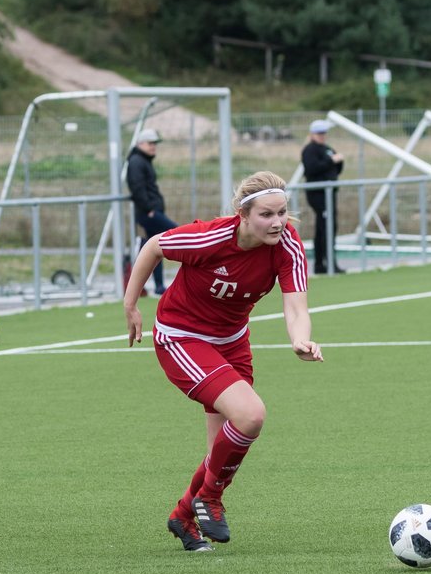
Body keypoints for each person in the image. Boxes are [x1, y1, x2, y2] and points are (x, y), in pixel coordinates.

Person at [124, 171, 323, 553]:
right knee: (251, 415)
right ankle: (209, 499)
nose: (278, 222)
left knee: (222, 449)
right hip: (182, 336)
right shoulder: (211, 237)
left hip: (232, 342)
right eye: (266, 214)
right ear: (243, 214)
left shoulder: (287, 245)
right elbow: (153, 246)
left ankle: (184, 515)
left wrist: (300, 340)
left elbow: (296, 305)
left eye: (282, 212)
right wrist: (131, 304)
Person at [126, 128, 177, 295]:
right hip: (148, 212)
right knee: (177, 234)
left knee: (157, 247)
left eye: (155, 143)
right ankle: (140, 247)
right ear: (140, 143)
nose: (153, 146)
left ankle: (159, 285)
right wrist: (149, 209)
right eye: (150, 143)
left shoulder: (143, 160)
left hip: (151, 211)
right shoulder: (136, 161)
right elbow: (137, 187)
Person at [300, 119, 345, 274]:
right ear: (313, 134)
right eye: (320, 133)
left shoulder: (326, 148)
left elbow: (335, 169)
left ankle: (323, 264)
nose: (322, 136)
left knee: (325, 228)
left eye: (324, 133)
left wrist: (338, 162)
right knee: (326, 228)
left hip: (330, 194)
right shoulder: (310, 150)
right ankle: (326, 264)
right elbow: (312, 168)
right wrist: (331, 160)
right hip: (318, 195)